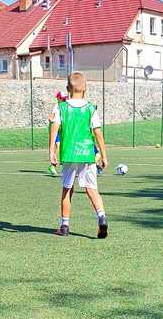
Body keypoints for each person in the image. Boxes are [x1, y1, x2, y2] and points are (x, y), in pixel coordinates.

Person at [49, 72, 109, 238]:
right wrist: (104, 156)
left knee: (67, 189)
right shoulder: (91, 108)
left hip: (69, 154)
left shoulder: (60, 107)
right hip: (87, 155)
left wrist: (51, 152)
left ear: (68, 89)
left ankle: (65, 226)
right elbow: (98, 133)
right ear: (86, 90)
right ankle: (101, 216)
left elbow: (54, 129)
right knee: (92, 189)